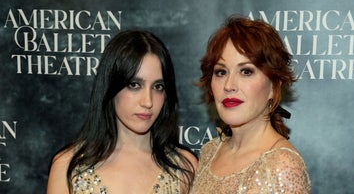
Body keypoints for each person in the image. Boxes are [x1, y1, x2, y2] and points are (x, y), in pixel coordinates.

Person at [47, 30, 198, 194]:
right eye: (134, 85)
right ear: (111, 87)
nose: (148, 101)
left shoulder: (185, 168)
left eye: (158, 87)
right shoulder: (68, 167)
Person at [190, 16, 311, 193]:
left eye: (246, 71)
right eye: (221, 72)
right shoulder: (210, 151)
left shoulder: (282, 166)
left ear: (274, 86)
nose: (229, 85)